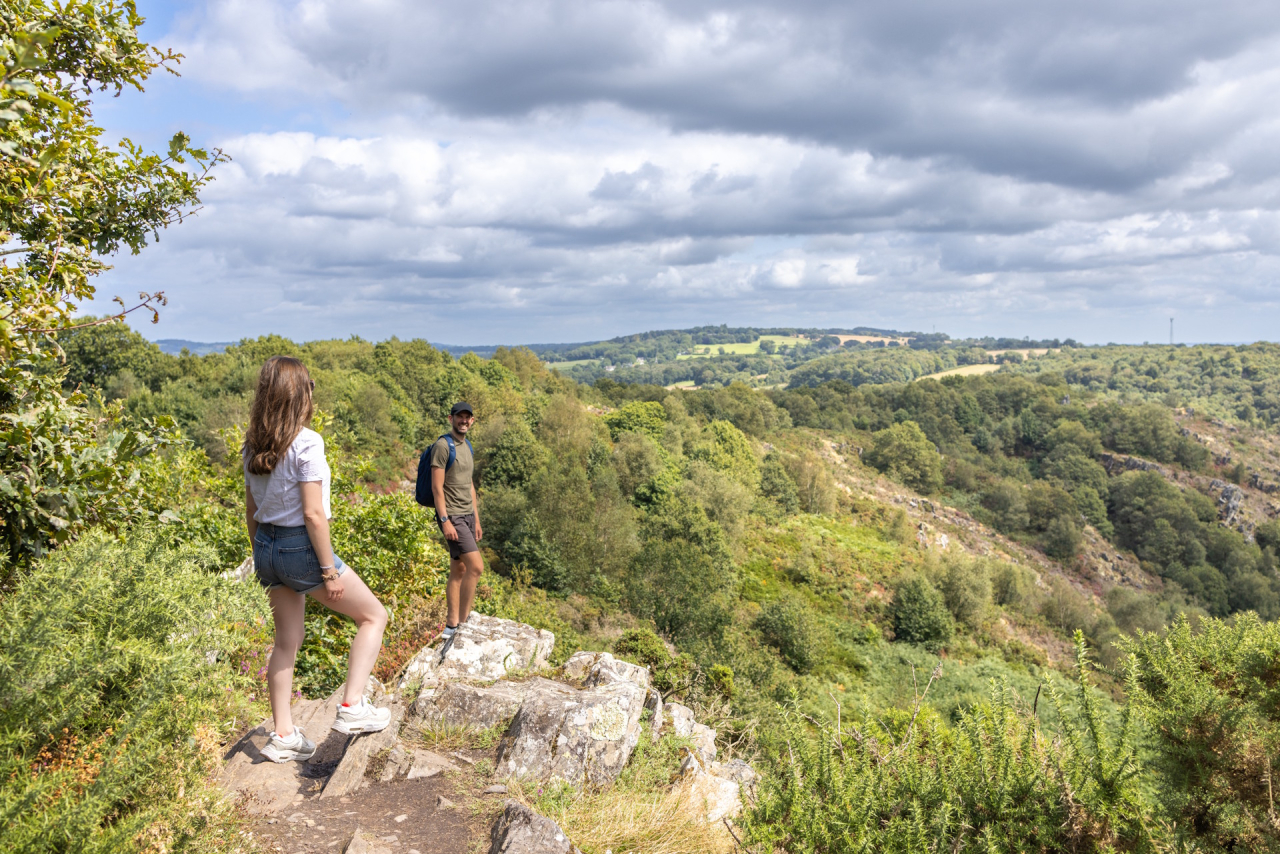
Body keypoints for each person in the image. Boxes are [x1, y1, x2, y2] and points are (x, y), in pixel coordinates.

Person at [243, 356, 391, 764]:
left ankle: (284, 735)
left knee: (286, 642)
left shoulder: (253, 446)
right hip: (299, 547)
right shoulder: (307, 442)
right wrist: (328, 569)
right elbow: (312, 514)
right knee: (373, 616)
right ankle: (352, 708)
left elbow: (251, 509)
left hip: (267, 548)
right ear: (299, 395)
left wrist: (263, 560)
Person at [430, 402, 484, 639]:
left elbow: (470, 485)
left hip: (468, 516)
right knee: (476, 567)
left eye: (467, 418)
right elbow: (437, 488)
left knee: (459, 569)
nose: (463, 421)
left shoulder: (468, 446)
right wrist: (445, 521)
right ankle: (464, 623)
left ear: (472, 421)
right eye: (459, 417)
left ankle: (451, 626)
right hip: (453, 516)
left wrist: (477, 520)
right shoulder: (443, 446)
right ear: (450, 418)